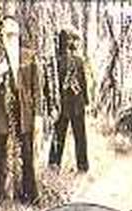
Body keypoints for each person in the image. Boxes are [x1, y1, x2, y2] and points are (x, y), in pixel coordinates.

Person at [0, 13, 39, 206]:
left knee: (26, 157)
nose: (11, 34)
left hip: (23, 114)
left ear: (19, 32)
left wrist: (38, 115)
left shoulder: (29, 55)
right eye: (7, 31)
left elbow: (36, 88)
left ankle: (30, 198)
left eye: (14, 30)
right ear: (1, 33)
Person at [48, 27, 92, 173]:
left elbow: (82, 82)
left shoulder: (69, 61)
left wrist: (86, 101)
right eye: (70, 40)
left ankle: (72, 165)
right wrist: (86, 101)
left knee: (72, 135)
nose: (72, 43)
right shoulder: (61, 61)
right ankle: (57, 164)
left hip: (70, 103)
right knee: (66, 135)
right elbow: (52, 85)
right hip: (67, 104)